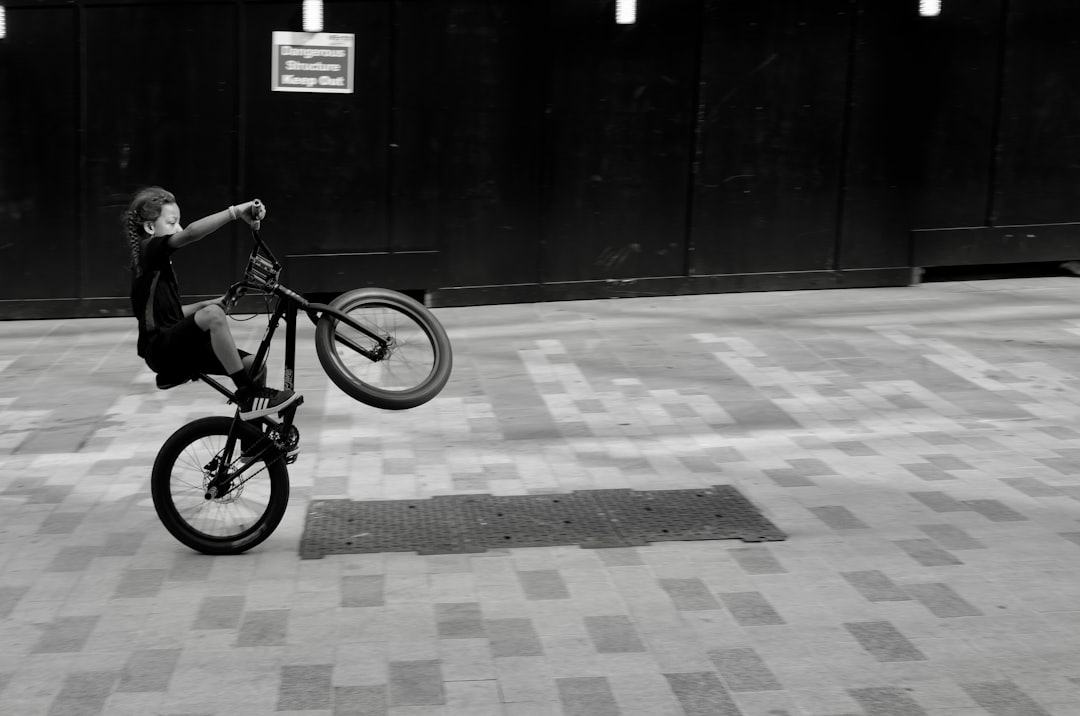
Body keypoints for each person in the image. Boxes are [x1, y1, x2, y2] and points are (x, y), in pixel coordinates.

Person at [126, 186, 301, 420]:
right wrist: (236, 212)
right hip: (161, 350)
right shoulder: (149, 250)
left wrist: (216, 302)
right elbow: (191, 233)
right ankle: (247, 394)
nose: (177, 228)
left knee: (254, 365)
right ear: (149, 227)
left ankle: (252, 448)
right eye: (171, 222)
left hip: (177, 345)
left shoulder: (157, 263)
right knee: (212, 316)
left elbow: (170, 314)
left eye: (178, 222)